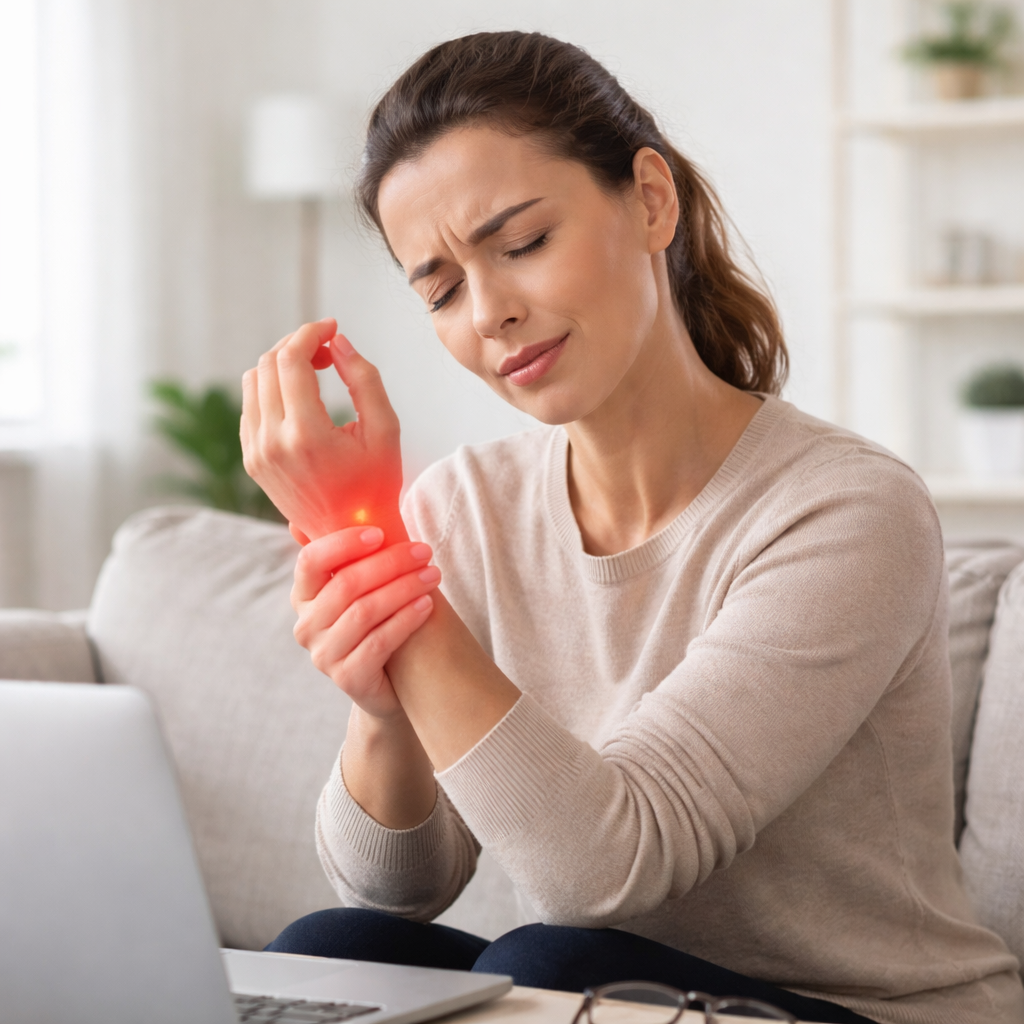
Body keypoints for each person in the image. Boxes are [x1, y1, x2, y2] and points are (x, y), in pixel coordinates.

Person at [240, 31, 1023, 1024]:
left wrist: (398, 581)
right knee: (334, 950)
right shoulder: (466, 506)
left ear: (651, 199)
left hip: (855, 1009)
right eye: (439, 288)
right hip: (604, 998)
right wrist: (381, 684)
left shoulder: (844, 508)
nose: (488, 312)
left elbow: (604, 868)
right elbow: (393, 890)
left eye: (522, 244)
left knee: (552, 955)